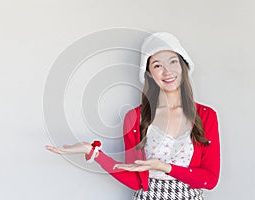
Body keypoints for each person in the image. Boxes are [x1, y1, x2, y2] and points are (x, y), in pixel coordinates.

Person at [45, 32, 220, 200]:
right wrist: (93, 152)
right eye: (157, 65)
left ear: (183, 66)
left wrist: (164, 167)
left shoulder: (206, 116)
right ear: (149, 74)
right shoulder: (135, 117)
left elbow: (210, 180)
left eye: (173, 62)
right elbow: (135, 181)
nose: (167, 72)